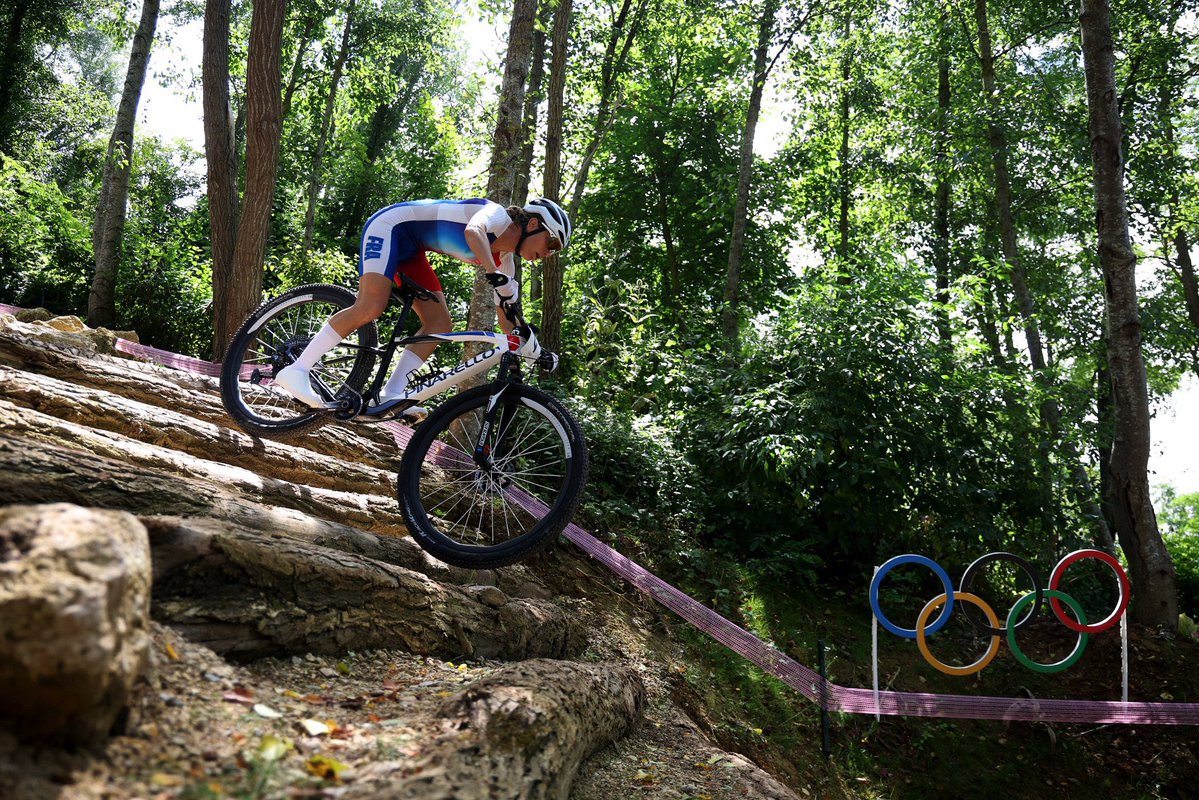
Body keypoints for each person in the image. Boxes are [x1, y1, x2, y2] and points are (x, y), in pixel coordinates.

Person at [274, 197, 572, 411]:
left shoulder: (506, 263)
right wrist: (493, 276)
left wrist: (530, 345)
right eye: (552, 243)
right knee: (370, 307)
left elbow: (507, 319)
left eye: (555, 250)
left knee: (440, 324)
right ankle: (297, 369)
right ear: (532, 224)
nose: (550, 253)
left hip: (413, 251)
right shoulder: (495, 214)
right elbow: (473, 231)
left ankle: (392, 393)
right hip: (391, 226)